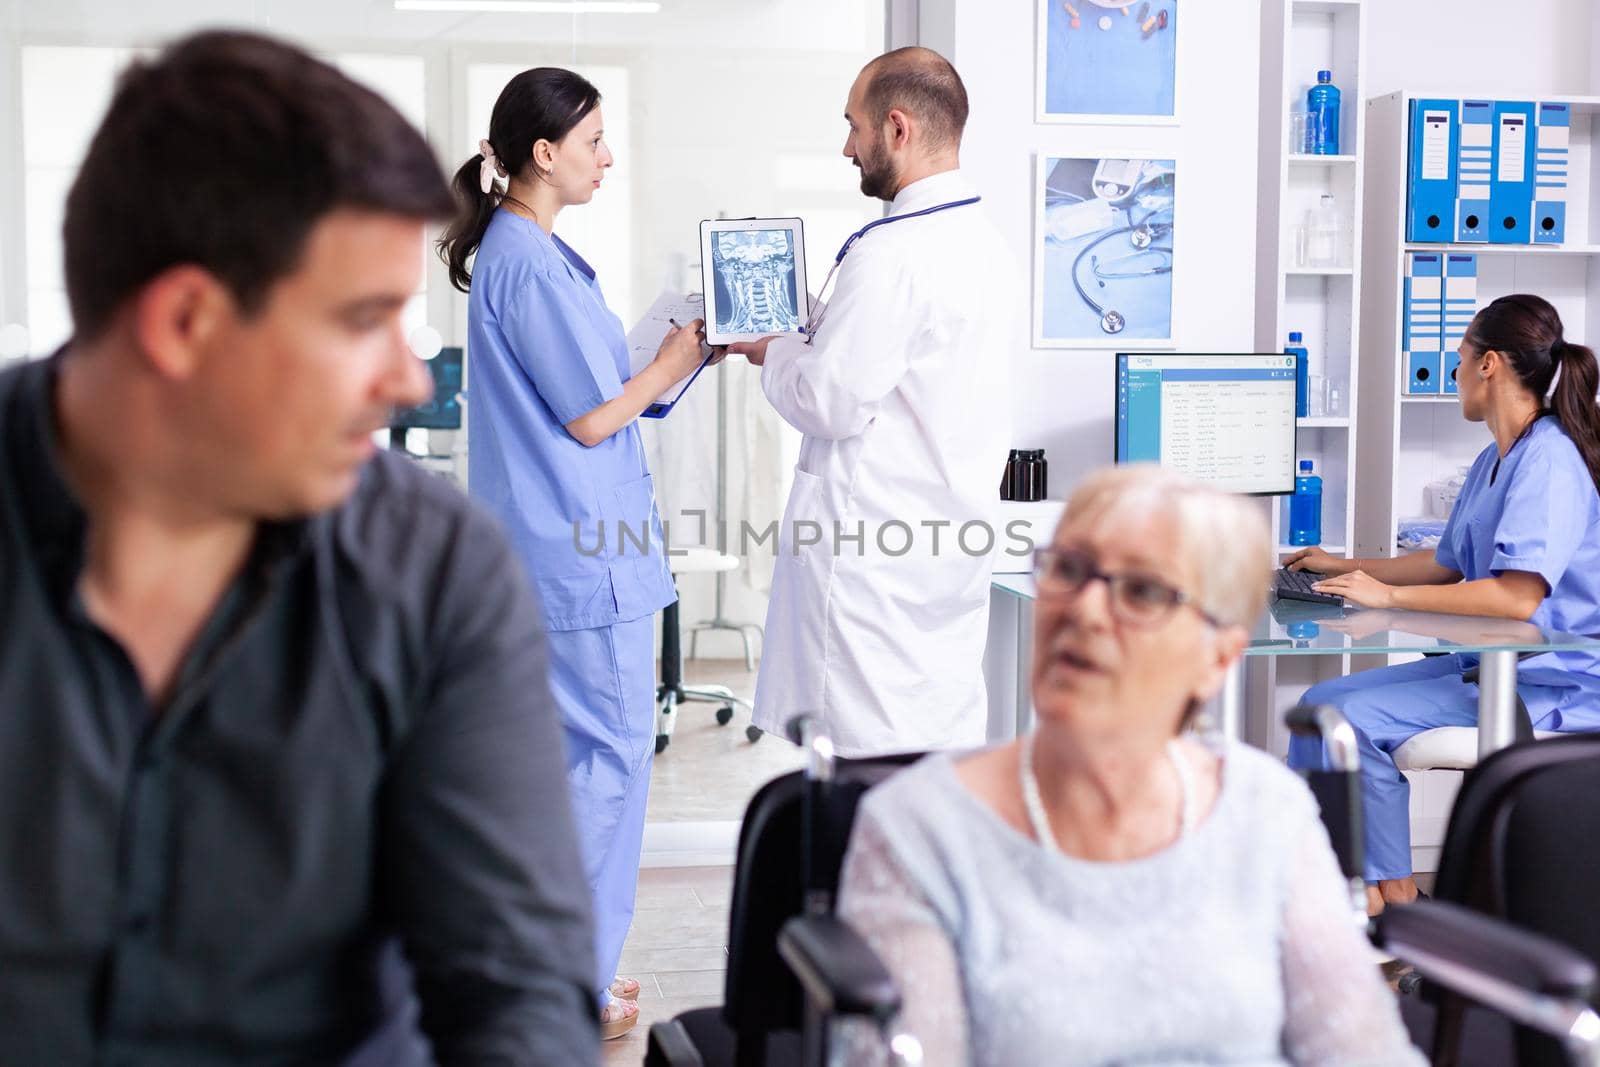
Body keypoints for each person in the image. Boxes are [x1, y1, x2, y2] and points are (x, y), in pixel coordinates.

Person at [0, 31, 598, 1064]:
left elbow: (516, 995)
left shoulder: (434, 571)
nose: (409, 380)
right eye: (365, 319)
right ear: (185, 322)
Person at [835, 464, 1423, 1066]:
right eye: (1067, 569)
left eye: (1141, 591)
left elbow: (1359, 1049)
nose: (1083, 611)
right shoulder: (917, 829)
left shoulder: (1266, 808)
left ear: (1217, 658)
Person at [437, 67, 707, 1040]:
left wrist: (674, 355)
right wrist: (673, 364)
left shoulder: (531, 257)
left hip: (567, 555)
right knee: (606, 764)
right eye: (593, 140)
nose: (606, 156)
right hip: (583, 563)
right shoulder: (526, 262)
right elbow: (594, 417)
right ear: (542, 153)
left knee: (570, 769)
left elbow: (596, 386)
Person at [729, 47, 1019, 758]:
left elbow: (831, 400)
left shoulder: (893, 255)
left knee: (861, 776)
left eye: (854, 127)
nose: (847, 147)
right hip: (938, 559)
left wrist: (774, 349)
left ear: (897, 129)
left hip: (872, 573)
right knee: (930, 763)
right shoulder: (986, 246)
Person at [1285, 293, 1600, 914]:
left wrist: (1388, 597)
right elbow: (1445, 562)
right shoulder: (1495, 456)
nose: (1453, 373)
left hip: (1558, 680)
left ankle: (1392, 899)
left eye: (1458, 360)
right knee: (1319, 706)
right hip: (1492, 665)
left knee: (1350, 723)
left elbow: (1517, 596)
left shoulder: (1551, 462)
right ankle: (1346, 889)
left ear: (1489, 366)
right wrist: (1342, 564)